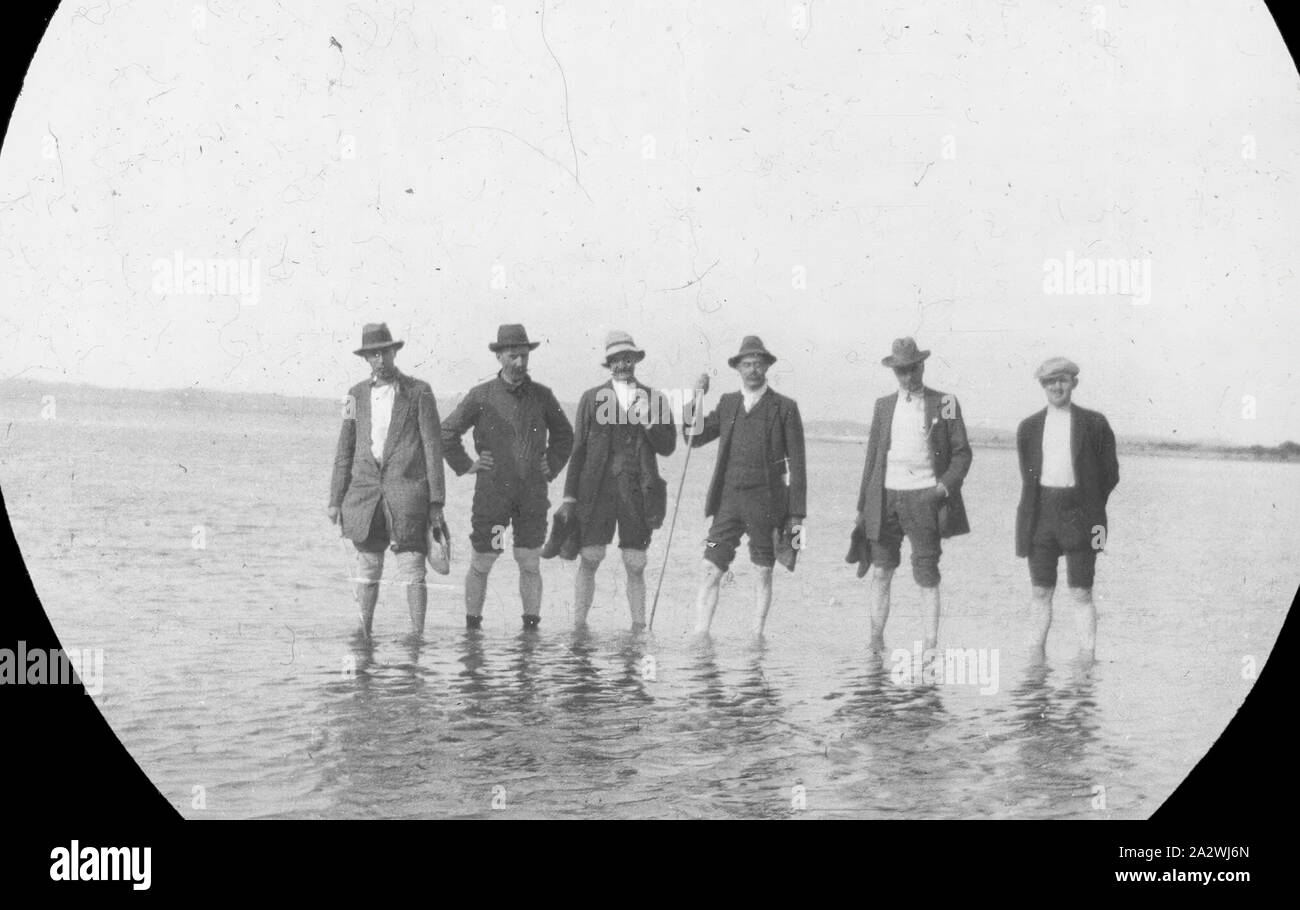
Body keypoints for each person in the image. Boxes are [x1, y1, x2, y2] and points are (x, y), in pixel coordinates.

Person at [441, 324, 574, 629]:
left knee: (529, 561)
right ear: (499, 356)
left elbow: (566, 436)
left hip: (531, 499)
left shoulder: (542, 396)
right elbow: (446, 432)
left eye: (524, 356)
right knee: (484, 561)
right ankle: (472, 629)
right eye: (513, 356)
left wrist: (551, 464)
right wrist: (467, 464)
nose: (520, 363)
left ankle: (531, 631)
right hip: (493, 498)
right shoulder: (481, 396)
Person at [328, 323, 446, 639]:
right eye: (372, 354)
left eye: (384, 352)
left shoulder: (419, 392)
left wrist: (436, 503)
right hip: (364, 496)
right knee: (367, 570)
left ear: (394, 352)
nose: (379, 359)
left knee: (413, 571)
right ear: (366, 358)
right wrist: (334, 500)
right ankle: (364, 633)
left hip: (408, 496)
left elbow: (433, 449)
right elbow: (345, 449)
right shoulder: (354, 395)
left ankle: (416, 637)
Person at [682, 336, 806, 636]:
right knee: (710, 564)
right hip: (727, 504)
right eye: (747, 364)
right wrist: (695, 399)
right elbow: (692, 437)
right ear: (737, 368)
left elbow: (799, 467)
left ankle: (756, 638)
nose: (753, 370)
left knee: (763, 570)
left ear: (766, 367)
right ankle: (701, 636)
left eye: (758, 364)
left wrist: (796, 519)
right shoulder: (728, 404)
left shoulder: (785, 408)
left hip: (768, 506)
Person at [554, 331, 676, 631]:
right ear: (609, 363)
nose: (623, 364)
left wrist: (648, 420)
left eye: (628, 358)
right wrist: (569, 497)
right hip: (595, 492)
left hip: (638, 491)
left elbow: (668, 446)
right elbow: (578, 450)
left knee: (635, 563)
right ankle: (579, 626)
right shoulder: (591, 398)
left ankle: (638, 628)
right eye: (617, 359)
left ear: (636, 360)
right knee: (590, 557)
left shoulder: (654, 399)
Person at [856, 337, 972, 653]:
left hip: (925, 499)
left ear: (921, 365)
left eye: (911, 369)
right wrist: (862, 507)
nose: (907, 377)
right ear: (894, 371)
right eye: (901, 371)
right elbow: (872, 459)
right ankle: (876, 642)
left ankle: (931, 646)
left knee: (927, 574)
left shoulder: (945, 401)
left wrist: (941, 488)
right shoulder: (883, 406)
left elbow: (962, 454)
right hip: (885, 498)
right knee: (881, 571)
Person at [1016, 357, 1119, 661]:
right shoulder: (1029, 427)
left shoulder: (1095, 423)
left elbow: (1110, 474)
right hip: (1040, 516)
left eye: (1062, 380)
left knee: (1081, 592)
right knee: (1040, 592)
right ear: (1042, 386)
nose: (1056, 387)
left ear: (1074, 382)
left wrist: (1089, 506)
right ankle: (1035, 666)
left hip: (1082, 517)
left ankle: (1086, 663)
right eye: (1050, 382)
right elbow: (1027, 475)